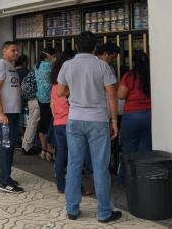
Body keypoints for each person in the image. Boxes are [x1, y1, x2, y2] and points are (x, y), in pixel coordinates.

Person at [56, 32, 122, 223]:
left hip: (74, 120)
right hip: (98, 121)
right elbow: (112, 95)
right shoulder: (102, 66)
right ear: (95, 48)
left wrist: (74, 89)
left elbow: (60, 91)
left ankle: (72, 209)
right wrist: (115, 122)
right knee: (100, 167)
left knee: (74, 164)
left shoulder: (67, 65)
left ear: (77, 46)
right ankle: (104, 213)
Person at [0, 41, 23, 193]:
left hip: (14, 112)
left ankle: (5, 175)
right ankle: (4, 182)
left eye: (17, 50)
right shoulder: (1, 65)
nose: (16, 53)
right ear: (5, 51)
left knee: (10, 146)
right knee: (6, 146)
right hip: (5, 114)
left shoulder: (11, 67)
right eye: (13, 50)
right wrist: (1, 113)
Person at [117, 51, 152, 185]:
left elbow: (121, 95)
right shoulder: (152, 74)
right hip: (149, 115)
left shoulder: (130, 76)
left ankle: (124, 181)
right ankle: (141, 182)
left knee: (129, 150)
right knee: (144, 150)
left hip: (132, 116)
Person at [50, 50, 75, 193]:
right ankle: (77, 186)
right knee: (74, 157)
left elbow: (52, 106)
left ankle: (61, 186)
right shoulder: (68, 86)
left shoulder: (54, 86)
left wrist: (57, 118)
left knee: (60, 156)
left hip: (57, 123)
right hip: (69, 122)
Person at [34, 47, 56, 161]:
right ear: (48, 55)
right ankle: (49, 149)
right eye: (53, 55)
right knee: (49, 124)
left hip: (40, 97)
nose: (54, 57)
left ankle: (43, 149)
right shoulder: (50, 66)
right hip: (50, 98)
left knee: (43, 121)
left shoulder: (36, 66)